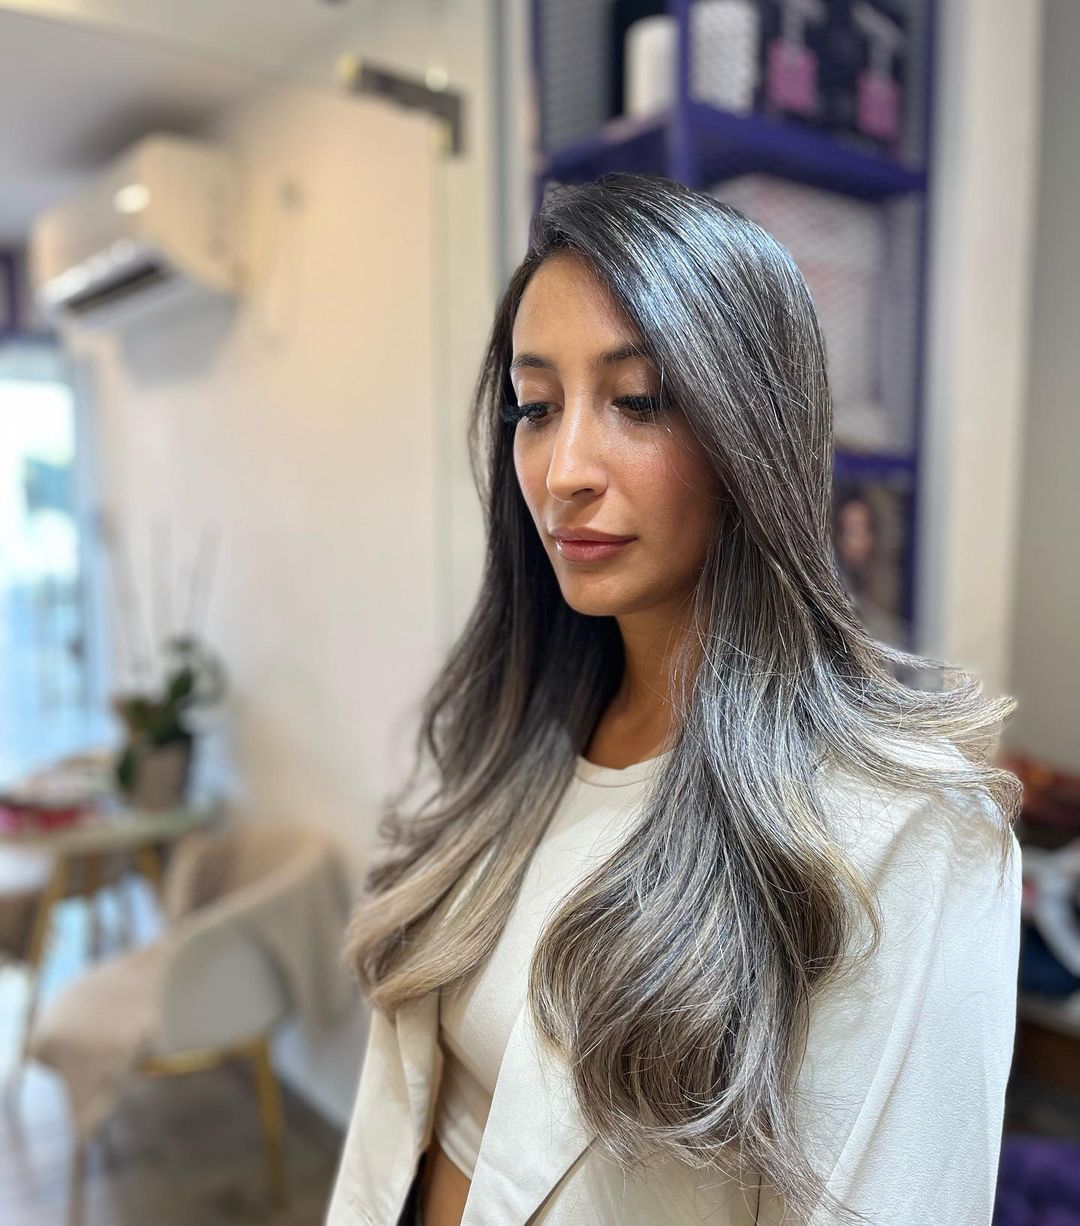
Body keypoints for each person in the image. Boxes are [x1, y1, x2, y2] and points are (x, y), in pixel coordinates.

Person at [324, 173, 1023, 1226]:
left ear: (753, 430)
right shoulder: (510, 740)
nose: (564, 469)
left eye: (639, 400)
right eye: (535, 407)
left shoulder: (905, 832)